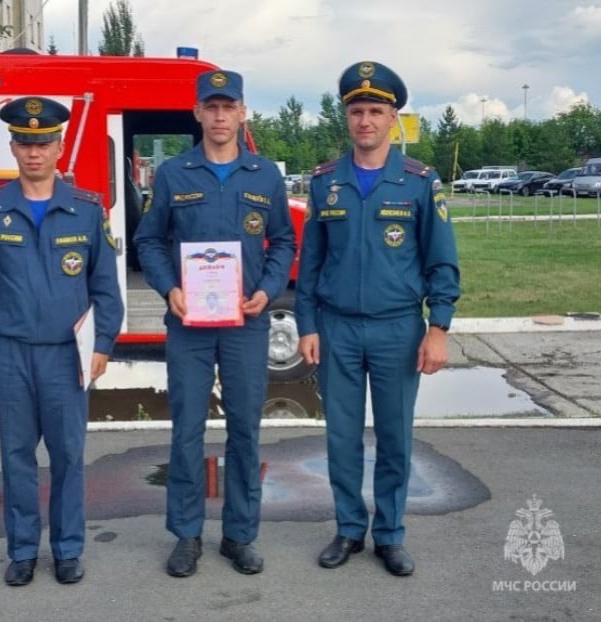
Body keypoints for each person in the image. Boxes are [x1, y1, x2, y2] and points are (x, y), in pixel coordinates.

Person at [295, 61, 460, 577]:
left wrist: (438, 328)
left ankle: (389, 534)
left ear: (393, 118)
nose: (365, 120)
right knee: (341, 437)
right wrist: (307, 326)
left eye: (375, 111)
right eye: (356, 111)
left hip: (397, 328)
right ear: (346, 118)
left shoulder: (419, 182)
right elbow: (311, 264)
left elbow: (442, 262)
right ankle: (349, 529)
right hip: (337, 328)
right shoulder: (326, 182)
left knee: (394, 437)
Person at [134, 70, 296, 577]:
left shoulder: (264, 175)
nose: (221, 116)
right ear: (198, 113)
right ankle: (187, 534)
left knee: (245, 430)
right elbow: (148, 241)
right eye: (212, 107)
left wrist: (268, 289)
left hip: (246, 322)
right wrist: (170, 288)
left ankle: (239, 535)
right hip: (190, 325)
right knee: (187, 430)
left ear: (243, 113)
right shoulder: (174, 174)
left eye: (229, 107)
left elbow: (283, 241)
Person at [0, 96, 124, 587]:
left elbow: (105, 287)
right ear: (13, 147)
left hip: (66, 356)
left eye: (44, 143)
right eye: (25, 143)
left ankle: (68, 549)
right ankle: (23, 551)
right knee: (16, 457)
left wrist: (103, 346)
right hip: (11, 353)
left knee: (69, 456)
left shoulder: (86, 210)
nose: (34, 152)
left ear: (59, 148)